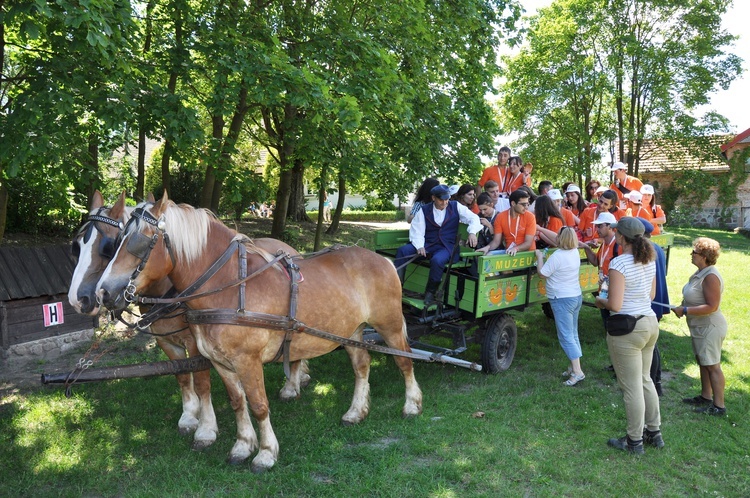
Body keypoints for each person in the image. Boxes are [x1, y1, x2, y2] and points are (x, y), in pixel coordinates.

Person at [595, 217, 662, 454]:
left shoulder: (619, 263)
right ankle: (654, 432)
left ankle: (634, 440)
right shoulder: (650, 258)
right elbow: (651, 293)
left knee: (632, 387)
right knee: (645, 380)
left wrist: (600, 301)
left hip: (628, 329)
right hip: (649, 323)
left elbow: (615, 304)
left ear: (620, 236)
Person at [395, 185, 482, 304]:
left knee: (437, 260)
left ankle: (430, 293)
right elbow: (417, 229)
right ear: (433, 198)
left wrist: (472, 232)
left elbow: (474, 218)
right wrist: (420, 246)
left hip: (447, 247)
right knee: (403, 251)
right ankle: (397, 287)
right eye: (441, 199)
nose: (445, 202)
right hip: (427, 244)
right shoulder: (424, 210)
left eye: (447, 199)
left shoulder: (455, 206)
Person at [673, 237, 727, 416]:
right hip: (699, 326)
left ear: (704, 256)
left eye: (694, 252)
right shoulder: (700, 272)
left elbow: (712, 306)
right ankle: (706, 396)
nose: (691, 254)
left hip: (709, 326)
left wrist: (686, 310)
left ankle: (719, 406)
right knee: (703, 361)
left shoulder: (710, 276)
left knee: (712, 365)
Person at [535, 227, 585, 386]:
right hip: (575, 296)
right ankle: (573, 366)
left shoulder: (558, 256)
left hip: (561, 298)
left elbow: (543, 273)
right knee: (573, 333)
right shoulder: (575, 252)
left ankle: (577, 372)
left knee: (566, 336)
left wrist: (539, 257)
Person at [490, 189, 537, 256]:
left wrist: (516, 248)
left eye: (527, 204)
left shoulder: (530, 217)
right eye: (523, 204)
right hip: (509, 254)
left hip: (527, 254)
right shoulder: (500, 216)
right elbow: (496, 242)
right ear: (513, 203)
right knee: (487, 255)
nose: (526, 207)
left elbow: (528, 243)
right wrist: (487, 248)